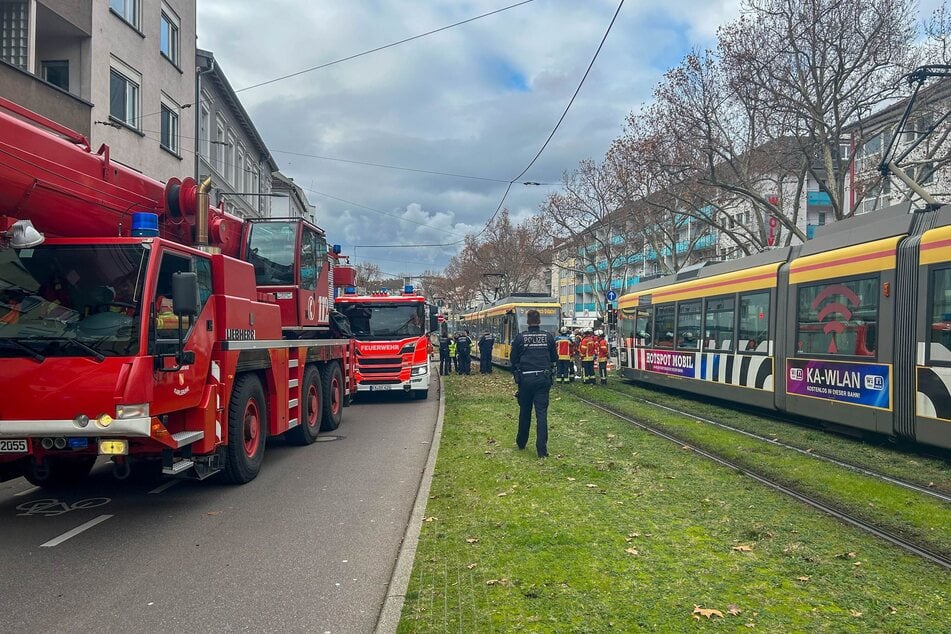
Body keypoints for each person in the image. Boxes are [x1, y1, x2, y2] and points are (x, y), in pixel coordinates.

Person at [510, 309, 557, 457]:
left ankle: (521, 441)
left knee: (525, 411)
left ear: (527, 321)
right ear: (539, 321)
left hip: (525, 380)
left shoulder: (520, 338)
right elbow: (554, 358)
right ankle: (542, 450)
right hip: (543, 379)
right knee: (541, 414)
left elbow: (513, 360)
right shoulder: (548, 337)